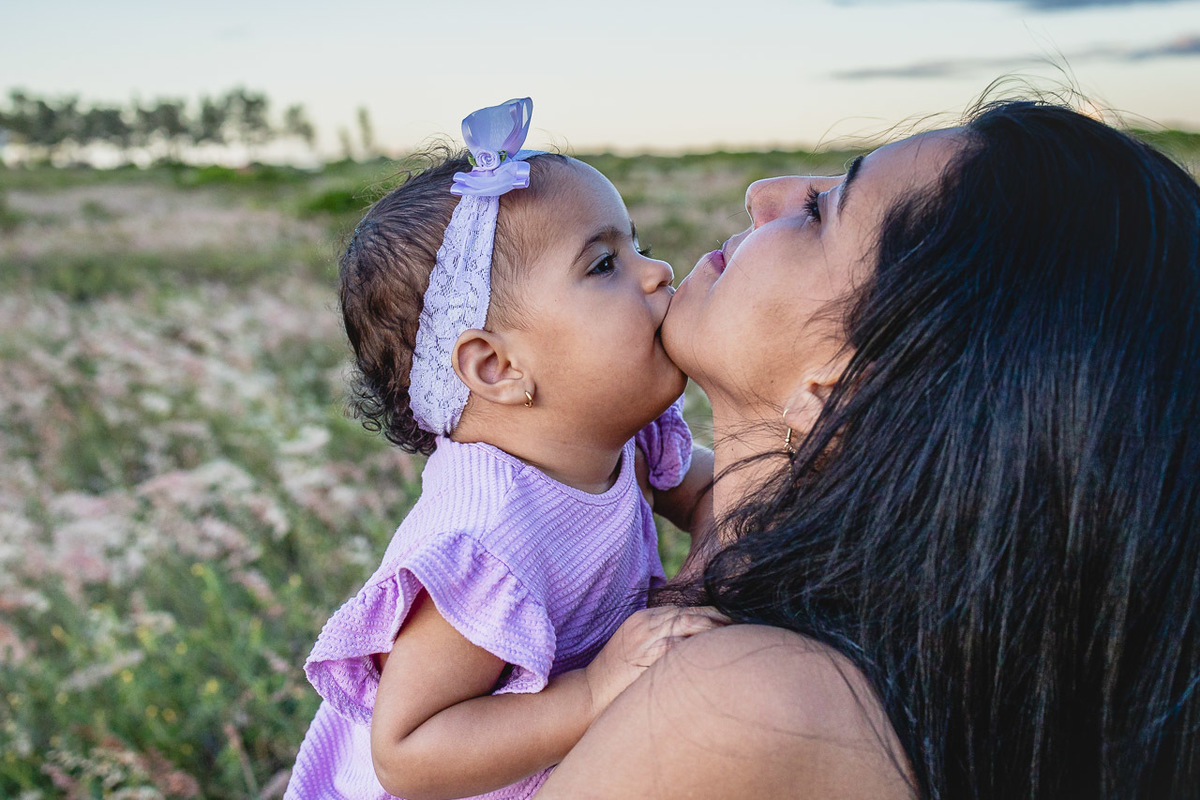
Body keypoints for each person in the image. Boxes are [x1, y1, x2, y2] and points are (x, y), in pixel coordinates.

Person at [537, 100, 1200, 798]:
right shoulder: (811, 636)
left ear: (854, 389)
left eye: (821, 212)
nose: (763, 196)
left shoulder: (745, 704)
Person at [284, 98, 723, 800]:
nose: (657, 271)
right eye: (605, 263)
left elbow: (713, 491)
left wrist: (696, 579)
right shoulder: (490, 534)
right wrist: (589, 696)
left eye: (636, 243)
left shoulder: (622, 440)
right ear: (496, 367)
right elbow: (408, 750)